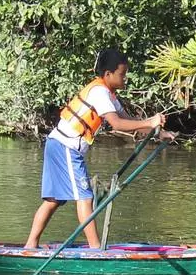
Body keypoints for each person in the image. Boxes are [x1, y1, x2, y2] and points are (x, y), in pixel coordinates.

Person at [24, 48, 176, 249]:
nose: (125, 78)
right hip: (65, 147)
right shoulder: (100, 93)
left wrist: (157, 132)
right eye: (122, 74)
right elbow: (117, 124)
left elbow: (129, 121)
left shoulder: (109, 95)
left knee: (54, 200)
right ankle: (95, 249)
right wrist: (150, 121)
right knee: (85, 198)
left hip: (59, 145)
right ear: (108, 74)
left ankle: (30, 246)